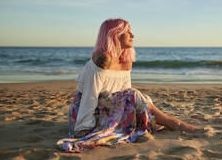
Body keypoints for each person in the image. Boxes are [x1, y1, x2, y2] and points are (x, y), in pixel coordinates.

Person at [57, 18, 199, 152]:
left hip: (111, 109)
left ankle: (169, 122)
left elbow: (125, 94)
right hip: (89, 112)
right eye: (127, 31)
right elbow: (90, 96)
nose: (132, 35)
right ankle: (174, 123)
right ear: (114, 35)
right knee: (134, 94)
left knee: (140, 97)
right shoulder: (102, 59)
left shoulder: (126, 60)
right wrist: (84, 127)